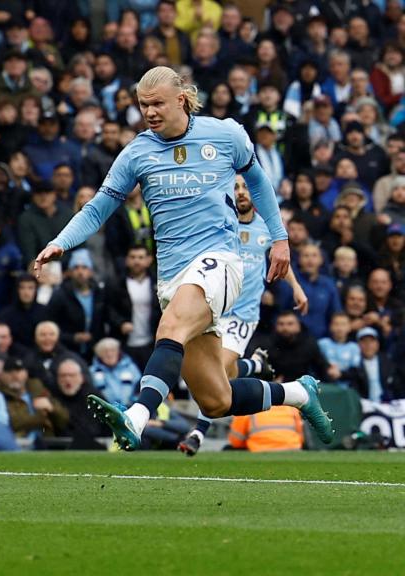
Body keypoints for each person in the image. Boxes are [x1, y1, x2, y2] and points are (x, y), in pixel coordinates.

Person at [34, 66, 333, 451]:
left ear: (181, 99)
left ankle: (136, 417)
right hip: (172, 275)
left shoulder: (225, 134)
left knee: (170, 328)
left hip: (221, 261)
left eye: (157, 103)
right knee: (215, 398)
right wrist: (61, 241)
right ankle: (298, 394)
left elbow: (257, 180)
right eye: (144, 106)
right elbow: (98, 208)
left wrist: (280, 238)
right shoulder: (138, 152)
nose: (150, 112)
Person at [179, 174, 309, 456]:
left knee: (218, 371)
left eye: (245, 187)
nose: (240, 192)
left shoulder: (267, 229)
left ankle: (198, 433)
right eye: (234, 187)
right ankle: (255, 366)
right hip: (215, 308)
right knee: (216, 371)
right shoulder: (221, 227)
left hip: (243, 316)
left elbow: (282, 263)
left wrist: (297, 288)